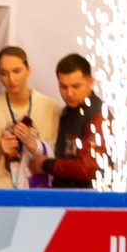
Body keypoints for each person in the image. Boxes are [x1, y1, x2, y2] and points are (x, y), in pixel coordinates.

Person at [0, 46, 61, 190]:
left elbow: (61, 161)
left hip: (40, 193)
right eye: (4, 73)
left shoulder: (51, 108)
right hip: (1, 193)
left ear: (28, 70)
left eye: (16, 71)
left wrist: (34, 145)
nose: (11, 79)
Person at [42, 53, 107, 190]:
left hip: (89, 199)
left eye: (76, 86)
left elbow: (86, 169)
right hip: (64, 196)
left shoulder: (99, 117)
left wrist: (45, 164)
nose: (69, 93)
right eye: (63, 87)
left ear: (90, 82)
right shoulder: (65, 113)